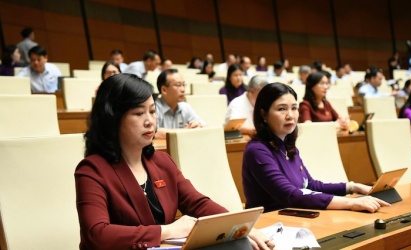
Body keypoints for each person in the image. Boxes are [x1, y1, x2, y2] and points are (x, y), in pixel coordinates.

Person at [75, 73, 273, 250]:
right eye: (138, 113)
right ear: (113, 119)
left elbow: (197, 203)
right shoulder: (93, 170)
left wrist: (242, 228)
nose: (149, 121)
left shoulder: (161, 161)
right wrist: (166, 231)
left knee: (238, 243)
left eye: (152, 111)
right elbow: (97, 234)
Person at [242, 82, 390, 213]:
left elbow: (310, 185)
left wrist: (353, 187)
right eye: (281, 109)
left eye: (294, 108)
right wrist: (351, 203)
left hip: (296, 218)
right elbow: (291, 195)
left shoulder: (287, 146)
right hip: (269, 227)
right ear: (264, 115)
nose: (290, 115)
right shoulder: (257, 151)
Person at [154, 69, 204, 139]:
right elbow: (154, 132)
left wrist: (196, 126)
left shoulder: (185, 107)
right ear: (164, 90)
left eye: (183, 85)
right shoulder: (153, 108)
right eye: (178, 85)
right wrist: (184, 131)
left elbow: (202, 125)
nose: (183, 89)